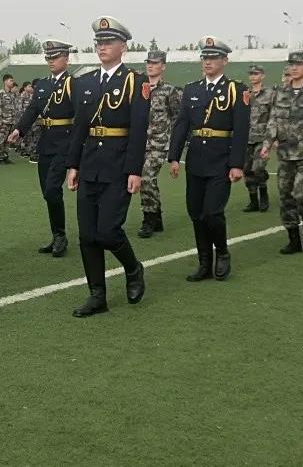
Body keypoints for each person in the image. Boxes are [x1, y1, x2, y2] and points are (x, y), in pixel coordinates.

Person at [65, 17, 149, 317]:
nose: (102, 47)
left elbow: (139, 129)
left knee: (108, 231)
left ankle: (133, 268)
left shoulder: (135, 82)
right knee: (87, 235)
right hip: (89, 165)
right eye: (99, 42)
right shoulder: (85, 82)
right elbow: (79, 128)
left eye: (108, 42)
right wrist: (72, 165)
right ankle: (97, 295)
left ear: (123, 47)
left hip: (118, 166)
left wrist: (135, 170)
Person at [168, 37, 250, 280]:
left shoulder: (236, 89)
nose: (208, 62)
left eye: (213, 57)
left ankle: (222, 252)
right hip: (196, 159)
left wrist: (236, 164)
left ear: (224, 60)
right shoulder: (192, 89)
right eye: (205, 57)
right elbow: (182, 124)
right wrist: (174, 156)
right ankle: (204, 262)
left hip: (220, 159)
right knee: (196, 212)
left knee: (213, 212)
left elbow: (241, 129)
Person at [9, 38, 76, 257]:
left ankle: (60, 237)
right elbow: (32, 110)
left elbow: (81, 117)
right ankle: (57, 234)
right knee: (47, 193)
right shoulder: (43, 85)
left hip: (64, 143)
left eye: (55, 57)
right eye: (48, 57)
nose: (51, 61)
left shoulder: (73, 84)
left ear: (66, 58)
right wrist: (19, 129)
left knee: (52, 189)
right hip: (46, 142)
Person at [261, 50, 303, 254]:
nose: (295, 68)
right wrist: (267, 143)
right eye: (292, 64)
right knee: (286, 197)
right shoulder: (280, 92)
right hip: (286, 153)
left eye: (299, 64)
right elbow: (274, 119)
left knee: (301, 194)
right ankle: (293, 239)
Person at [138, 51, 182, 238]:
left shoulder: (169, 91)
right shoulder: (139, 88)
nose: (150, 65)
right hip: (139, 143)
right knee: (143, 180)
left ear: (163, 66)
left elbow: (177, 118)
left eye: (155, 63)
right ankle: (156, 218)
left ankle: (149, 219)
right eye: (149, 62)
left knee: (146, 177)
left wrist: (173, 147)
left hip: (158, 143)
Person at [242, 64, 274, 213]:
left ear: (262, 76)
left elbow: (274, 116)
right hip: (246, 138)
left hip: (262, 138)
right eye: (251, 74)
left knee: (258, 168)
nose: (253, 76)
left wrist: (273, 138)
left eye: (256, 74)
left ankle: (264, 196)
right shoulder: (245, 94)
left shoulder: (270, 94)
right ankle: (253, 201)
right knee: (247, 170)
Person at [0, 74, 18, 164]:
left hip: (11, 121)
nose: (12, 82)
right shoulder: (0, 93)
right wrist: (0, 121)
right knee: (0, 140)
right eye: (10, 80)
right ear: (5, 81)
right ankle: (0, 158)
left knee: (8, 140)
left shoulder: (12, 94)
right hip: (3, 122)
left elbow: (14, 108)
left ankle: (6, 156)